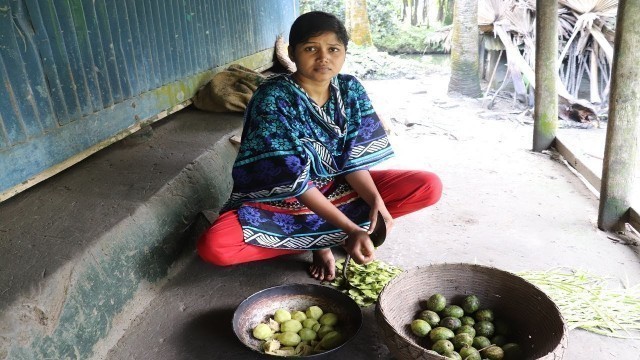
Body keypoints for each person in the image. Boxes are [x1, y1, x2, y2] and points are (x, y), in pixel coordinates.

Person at [197, 11, 442, 281]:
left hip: (338, 190)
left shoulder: (350, 90)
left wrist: (377, 203)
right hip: (281, 198)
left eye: (333, 49)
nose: (324, 58)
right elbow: (294, 181)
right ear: (292, 53)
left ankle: (321, 235)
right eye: (310, 48)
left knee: (428, 186)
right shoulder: (273, 98)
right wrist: (350, 229)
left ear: (345, 52)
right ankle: (320, 241)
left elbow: (353, 161)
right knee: (216, 247)